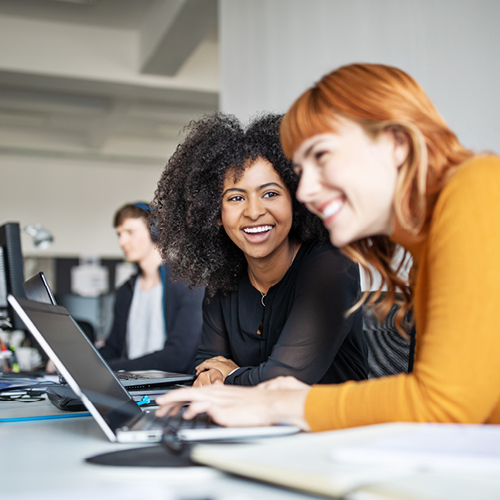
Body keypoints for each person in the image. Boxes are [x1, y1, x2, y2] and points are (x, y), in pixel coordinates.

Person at [155, 63, 500, 430]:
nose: (305, 192)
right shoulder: (429, 243)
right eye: (302, 172)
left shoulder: (477, 190)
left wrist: (283, 404)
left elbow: (445, 403)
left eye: (321, 156)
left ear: (397, 143)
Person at [152, 113, 368, 387]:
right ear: (215, 213)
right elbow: (206, 370)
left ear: (297, 202)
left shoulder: (331, 266)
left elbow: (283, 381)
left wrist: (229, 375)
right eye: (236, 198)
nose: (254, 212)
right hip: (253, 425)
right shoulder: (223, 279)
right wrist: (220, 377)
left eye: (270, 194)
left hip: (333, 427)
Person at [98, 202, 205, 373]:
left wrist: (107, 369)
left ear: (155, 232)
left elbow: (178, 357)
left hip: (171, 390)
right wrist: (76, 365)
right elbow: (113, 349)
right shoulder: (126, 290)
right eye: (119, 234)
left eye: (130, 232)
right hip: (130, 387)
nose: (122, 241)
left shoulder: (188, 285)